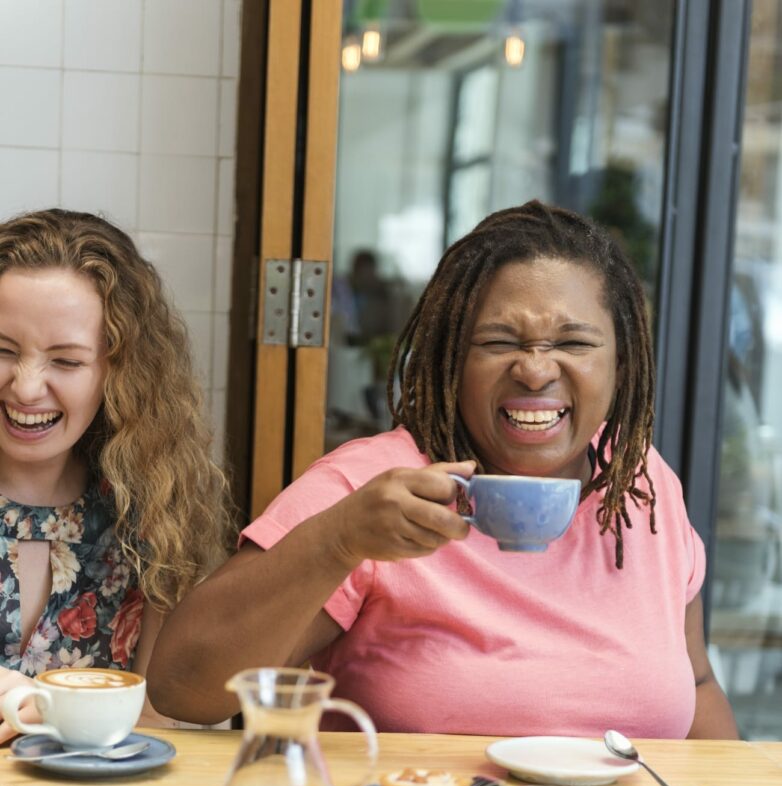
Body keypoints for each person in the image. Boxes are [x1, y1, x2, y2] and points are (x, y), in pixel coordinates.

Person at [148, 200, 738, 740]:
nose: (535, 370)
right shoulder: (372, 488)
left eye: (574, 343)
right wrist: (338, 540)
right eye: (499, 341)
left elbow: (698, 683)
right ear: (452, 359)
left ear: (621, 362)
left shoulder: (641, 481)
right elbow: (183, 688)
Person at [0, 209, 233, 741]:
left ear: (120, 371)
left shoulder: (151, 511)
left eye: (66, 361)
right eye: (2, 350)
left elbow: (155, 723)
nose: (27, 388)